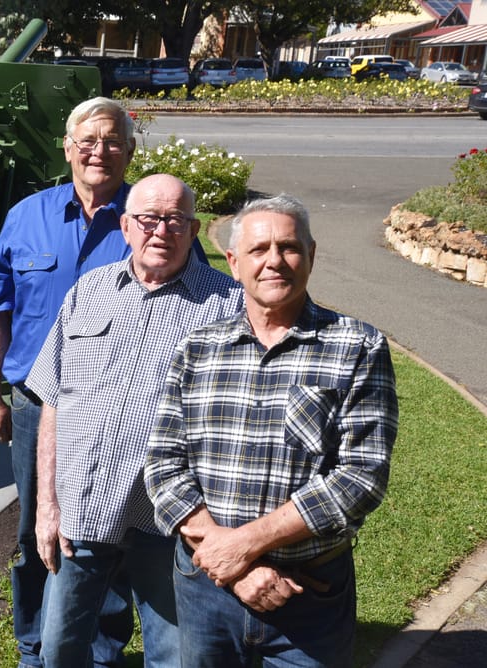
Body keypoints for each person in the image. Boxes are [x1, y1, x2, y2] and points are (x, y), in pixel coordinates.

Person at [144, 194, 398, 667]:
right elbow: (163, 463)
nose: (275, 262)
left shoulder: (357, 346)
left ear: (312, 255)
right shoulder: (198, 349)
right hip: (206, 590)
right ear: (235, 262)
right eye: (259, 250)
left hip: (308, 595)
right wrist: (233, 565)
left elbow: (362, 477)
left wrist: (243, 547)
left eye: (289, 247)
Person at [24, 173, 243, 667]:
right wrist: (46, 505)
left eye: (174, 220)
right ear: (125, 226)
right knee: (59, 648)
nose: (160, 230)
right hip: (84, 507)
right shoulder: (90, 291)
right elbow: (54, 399)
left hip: (170, 519)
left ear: (194, 228)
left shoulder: (229, 306)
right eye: (148, 219)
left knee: (174, 654)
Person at [0, 96, 138, 667]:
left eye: (113, 140)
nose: (100, 151)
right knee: (31, 532)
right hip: (32, 404)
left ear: (129, 151)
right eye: (88, 140)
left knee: (106, 532)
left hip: (114, 409)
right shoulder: (27, 216)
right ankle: (34, 646)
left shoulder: (145, 221)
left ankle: (100, 650)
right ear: (67, 149)